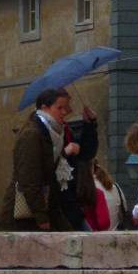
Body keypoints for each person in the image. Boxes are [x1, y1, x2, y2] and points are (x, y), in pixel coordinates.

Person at [0, 87, 74, 232]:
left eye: (64, 108)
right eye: (60, 108)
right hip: (24, 214)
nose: (64, 112)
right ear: (44, 108)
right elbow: (29, 179)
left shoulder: (52, 134)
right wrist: (41, 216)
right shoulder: (32, 134)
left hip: (43, 209)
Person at [54, 87, 99, 231]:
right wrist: (66, 152)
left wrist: (89, 125)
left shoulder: (64, 128)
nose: (70, 98)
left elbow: (86, 153)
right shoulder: (49, 130)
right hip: (59, 204)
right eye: (66, 95)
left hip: (70, 202)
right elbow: (45, 164)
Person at [75, 159, 110, 231]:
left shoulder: (69, 193)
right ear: (91, 170)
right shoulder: (97, 194)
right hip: (93, 236)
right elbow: (104, 222)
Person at [93, 159, 126, 231]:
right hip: (114, 235)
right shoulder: (116, 187)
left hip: (93, 237)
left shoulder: (87, 189)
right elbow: (125, 209)